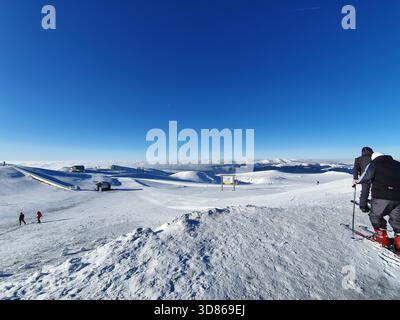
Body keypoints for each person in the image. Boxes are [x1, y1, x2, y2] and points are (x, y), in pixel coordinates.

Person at [356, 152, 400, 251]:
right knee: (397, 220)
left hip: (381, 196)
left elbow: (365, 177)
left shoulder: (374, 164)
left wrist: (357, 181)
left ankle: (382, 238)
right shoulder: (397, 164)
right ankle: (399, 242)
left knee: (375, 216)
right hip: (398, 198)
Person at [353, 147, 374, 212]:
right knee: (375, 191)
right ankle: (376, 205)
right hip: (375, 177)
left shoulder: (358, 159)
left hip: (364, 178)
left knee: (364, 192)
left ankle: (363, 206)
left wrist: (355, 178)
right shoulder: (374, 158)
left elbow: (355, 169)